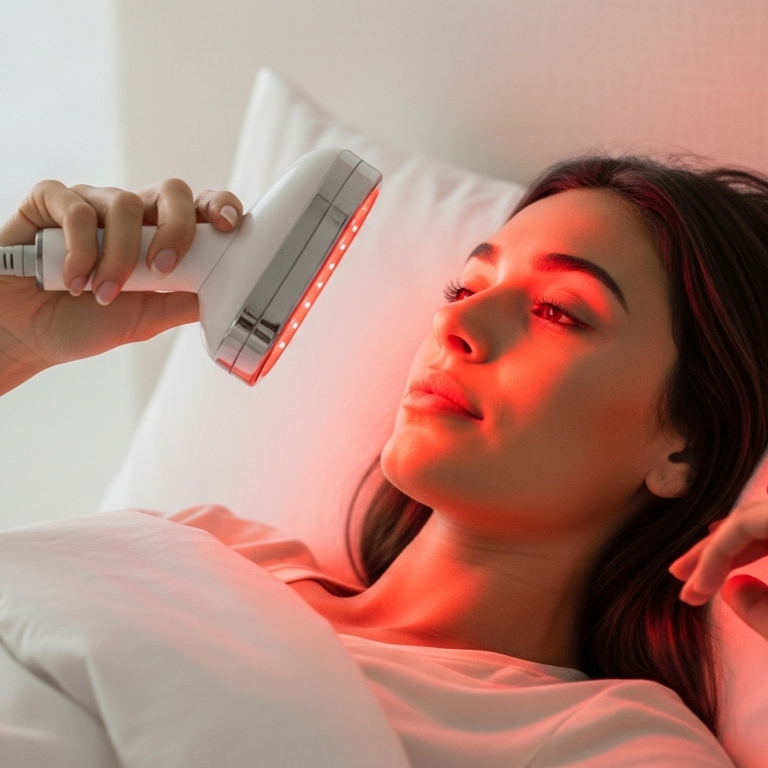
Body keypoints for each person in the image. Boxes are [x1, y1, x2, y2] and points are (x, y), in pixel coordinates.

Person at [1, 157, 767, 766]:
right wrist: (12, 343)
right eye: (466, 284)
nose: (457, 320)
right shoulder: (205, 545)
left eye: (560, 313)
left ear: (684, 446)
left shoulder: (605, 741)